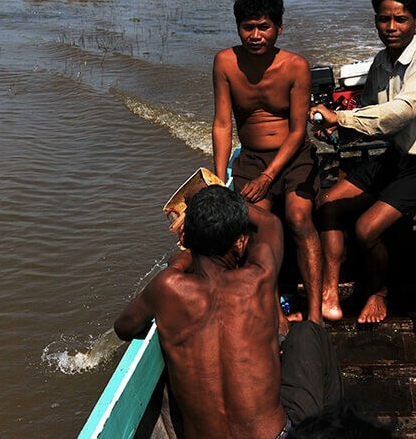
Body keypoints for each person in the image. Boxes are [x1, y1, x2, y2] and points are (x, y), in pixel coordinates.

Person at [114, 185, 343, 438]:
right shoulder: (258, 278)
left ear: (185, 239)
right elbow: (269, 222)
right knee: (308, 332)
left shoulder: (167, 288)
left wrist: (178, 264)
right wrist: (215, 193)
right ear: (240, 243)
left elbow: (123, 328)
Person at [310, 0, 416, 324]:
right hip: (396, 157)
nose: (391, 27)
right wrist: (332, 126)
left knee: (366, 228)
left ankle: (379, 293)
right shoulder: (380, 62)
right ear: (375, 20)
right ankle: (330, 290)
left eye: (401, 19)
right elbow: (369, 118)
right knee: (327, 205)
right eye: (384, 19)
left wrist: (343, 118)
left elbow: (400, 113)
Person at [212, 0, 324, 324]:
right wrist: (218, 181)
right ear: (238, 28)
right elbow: (221, 124)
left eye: (264, 27)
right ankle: (275, 311)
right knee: (257, 225)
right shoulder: (225, 63)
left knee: (299, 218)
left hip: (293, 156)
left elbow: (298, 131)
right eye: (248, 27)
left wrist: (268, 176)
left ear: (278, 28)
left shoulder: (295, 66)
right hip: (250, 157)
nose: (256, 35)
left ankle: (315, 314)